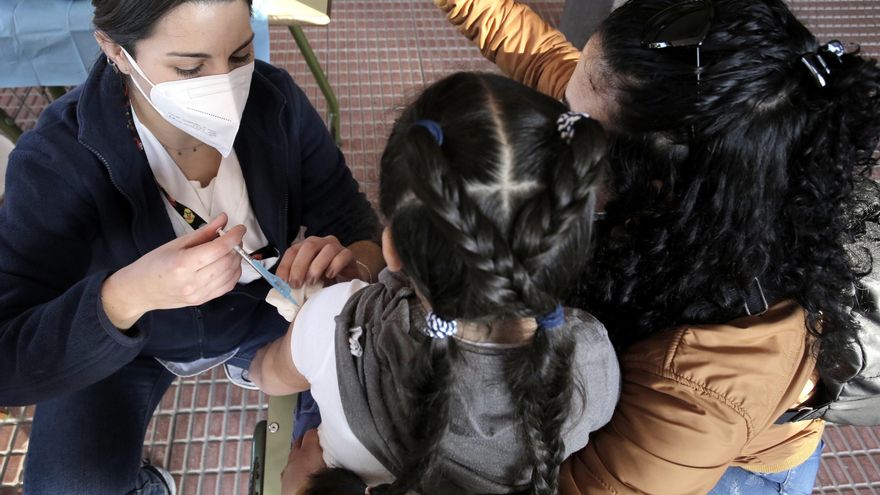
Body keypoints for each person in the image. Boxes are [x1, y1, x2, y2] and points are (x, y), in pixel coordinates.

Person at [433, 0, 880, 493]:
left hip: (736, 466)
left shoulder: (712, 374)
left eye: (575, 130)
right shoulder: (667, 129)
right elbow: (541, 58)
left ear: (656, 181)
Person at [0, 0, 384, 493]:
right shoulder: (55, 163)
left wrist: (354, 267)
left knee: (356, 442)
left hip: (269, 314)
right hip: (132, 348)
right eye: (190, 68)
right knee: (68, 484)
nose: (224, 88)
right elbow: (10, 359)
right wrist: (124, 298)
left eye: (241, 54)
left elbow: (351, 217)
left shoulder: (275, 101)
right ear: (114, 50)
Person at [249, 71, 621, 495]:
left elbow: (266, 374)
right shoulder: (592, 361)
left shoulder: (337, 317)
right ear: (568, 247)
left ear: (392, 250)